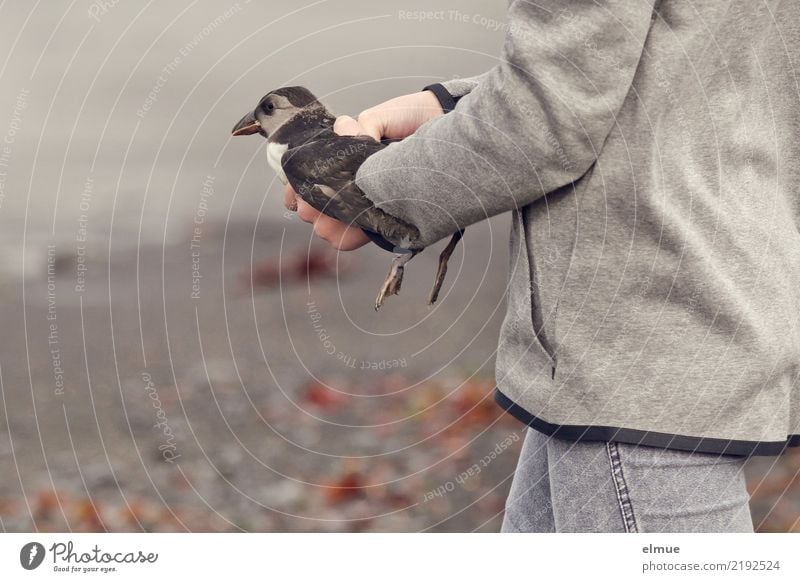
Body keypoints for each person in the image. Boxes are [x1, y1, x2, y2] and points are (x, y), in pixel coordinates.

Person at [285, 0, 800, 532]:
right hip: (722, 301)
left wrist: (370, 200)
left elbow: (548, 117)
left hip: (636, 338)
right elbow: (697, 57)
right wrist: (455, 105)